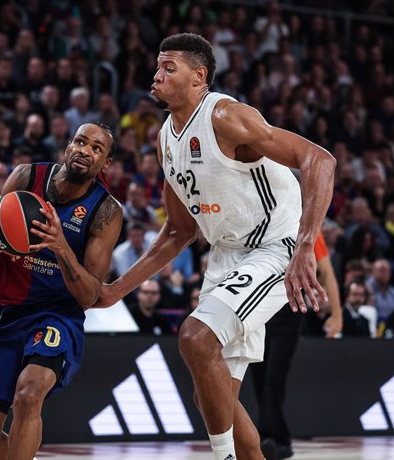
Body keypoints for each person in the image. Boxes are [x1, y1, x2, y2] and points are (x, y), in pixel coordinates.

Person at [96, 34, 335, 460]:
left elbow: (320, 160)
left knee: (195, 337)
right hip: (227, 254)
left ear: (199, 77)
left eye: (169, 67)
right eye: (158, 66)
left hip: (274, 245)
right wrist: (115, 290)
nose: (157, 75)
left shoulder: (225, 115)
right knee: (213, 395)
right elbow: (177, 232)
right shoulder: (166, 139)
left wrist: (303, 248)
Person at [0, 122, 123, 460]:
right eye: (81, 141)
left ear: (105, 164)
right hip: (3, 313)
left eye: (97, 149)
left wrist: (61, 246)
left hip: (54, 315)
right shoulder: (25, 178)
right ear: (68, 146)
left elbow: (88, 295)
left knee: (29, 393)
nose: (85, 151)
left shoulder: (105, 210)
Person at [251, 233, 343, 460]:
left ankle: (266, 438)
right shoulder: (264, 221)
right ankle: (279, 439)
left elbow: (327, 272)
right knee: (259, 380)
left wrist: (338, 313)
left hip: (289, 310)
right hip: (259, 309)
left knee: (274, 380)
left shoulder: (309, 228)